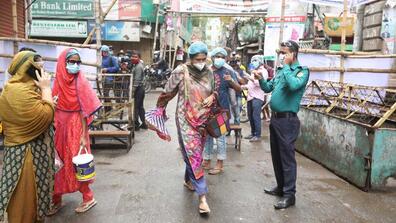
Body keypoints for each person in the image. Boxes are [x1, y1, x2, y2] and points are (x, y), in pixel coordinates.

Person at [156, 41, 216, 214]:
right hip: (185, 120)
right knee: (195, 155)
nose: (201, 62)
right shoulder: (180, 72)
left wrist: (213, 96)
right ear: (190, 59)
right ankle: (202, 197)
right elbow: (167, 93)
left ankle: (188, 180)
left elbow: (214, 90)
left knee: (194, 153)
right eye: (198, 59)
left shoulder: (209, 72)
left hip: (204, 122)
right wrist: (158, 112)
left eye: (204, 59)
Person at [0, 51, 55, 222]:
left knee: (33, 200)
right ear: (27, 67)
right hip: (25, 157)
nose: (42, 66)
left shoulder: (17, 88)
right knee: (25, 203)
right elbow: (45, 115)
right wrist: (46, 89)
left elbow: (40, 109)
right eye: (38, 63)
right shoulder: (18, 92)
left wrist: (45, 96)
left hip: (24, 152)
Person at [256, 40, 309, 209]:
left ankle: (289, 195)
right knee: (277, 156)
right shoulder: (280, 72)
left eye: (285, 53)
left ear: (293, 54)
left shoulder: (302, 71)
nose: (282, 57)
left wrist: (286, 67)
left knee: (287, 159)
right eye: (281, 53)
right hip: (276, 119)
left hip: (288, 121)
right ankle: (280, 187)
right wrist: (261, 80)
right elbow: (268, 87)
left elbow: (294, 86)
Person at [50, 48, 101, 214]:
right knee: (57, 162)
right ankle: (55, 198)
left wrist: (82, 136)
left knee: (76, 163)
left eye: (78, 62)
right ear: (63, 63)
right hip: (59, 126)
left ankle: (88, 197)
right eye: (72, 62)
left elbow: (85, 111)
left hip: (76, 126)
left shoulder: (81, 82)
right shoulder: (58, 82)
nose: (75, 65)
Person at [203, 47, 241, 175]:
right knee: (207, 136)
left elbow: (239, 89)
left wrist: (231, 81)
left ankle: (220, 164)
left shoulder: (228, 72)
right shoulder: (206, 71)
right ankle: (207, 160)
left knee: (220, 138)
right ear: (212, 58)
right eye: (217, 56)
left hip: (222, 110)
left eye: (222, 57)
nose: (220, 59)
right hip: (207, 110)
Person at [243, 55, 267, 142]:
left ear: (260, 61)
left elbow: (259, 84)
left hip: (257, 97)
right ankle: (253, 133)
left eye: (255, 60)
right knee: (250, 115)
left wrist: (249, 77)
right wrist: (244, 86)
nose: (253, 62)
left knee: (256, 116)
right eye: (252, 60)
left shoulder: (263, 71)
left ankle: (257, 135)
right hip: (250, 97)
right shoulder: (254, 71)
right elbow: (251, 85)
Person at [100, 45, 120, 112]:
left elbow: (116, 67)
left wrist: (107, 69)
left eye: (105, 51)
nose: (104, 53)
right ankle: (107, 107)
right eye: (103, 51)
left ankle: (114, 107)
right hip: (101, 79)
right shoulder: (99, 58)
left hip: (110, 79)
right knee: (104, 93)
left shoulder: (112, 58)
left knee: (111, 93)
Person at [131, 50, 147, 130]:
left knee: (136, 107)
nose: (133, 58)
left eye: (135, 57)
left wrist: (132, 91)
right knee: (140, 107)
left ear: (139, 58)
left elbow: (136, 81)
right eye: (133, 56)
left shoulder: (138, 67)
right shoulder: (137, 65)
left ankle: (136, 124)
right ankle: (144, 123)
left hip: (139, 89)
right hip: (140, 89)